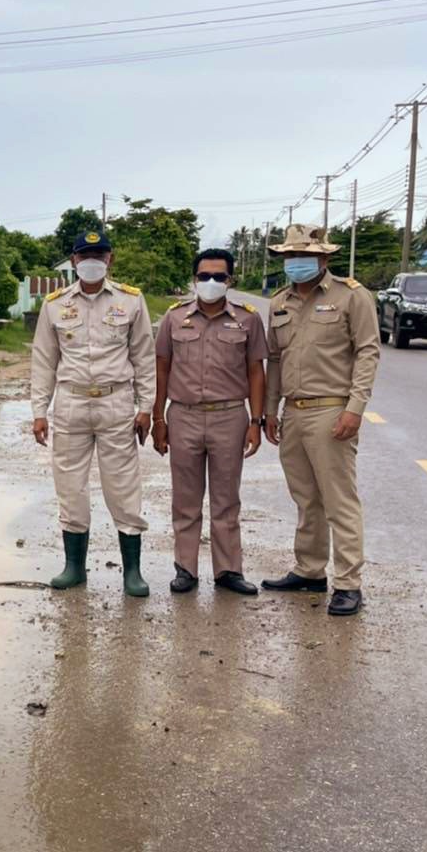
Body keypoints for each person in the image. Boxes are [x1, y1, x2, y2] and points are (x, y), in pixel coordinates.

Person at [261, 224, 380, 616]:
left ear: (324, 259)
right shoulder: (279, 302)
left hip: (332, 409)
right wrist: (270, 410)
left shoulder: (351, 296)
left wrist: (355, 408)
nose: (296, 263)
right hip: (292, 412)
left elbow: (367, 352)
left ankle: (348, 583)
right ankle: (310, 570)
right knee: (305, 498)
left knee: (338, 500)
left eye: (305, 257)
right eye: (290, 257)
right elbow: (275, 361)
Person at [30, 229, 155, 597]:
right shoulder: (54, 304)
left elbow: (144, 357)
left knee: (123, 486)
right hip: (70, 402)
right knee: (70, 485)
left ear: (110, 260)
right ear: (73, 261)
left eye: (99, 255)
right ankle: (74, 567)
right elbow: (43, 361)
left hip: (116, 402)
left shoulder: (131, 301)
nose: (92, 262)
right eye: (85, 256)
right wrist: (40, 411)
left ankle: (132, 571)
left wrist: (146, 407)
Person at [152, 249, 268, 596]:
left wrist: (256, 421)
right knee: (185, 500)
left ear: (230, 281)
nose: (211, 283)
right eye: (204, 277)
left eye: (219, 277)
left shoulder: (248, 320)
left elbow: (255, 371)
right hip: (183, 415)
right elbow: (161, 367)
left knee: (226, 500)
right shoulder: (174, 318)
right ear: (194, 279)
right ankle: (185, 569)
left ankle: (228, 570)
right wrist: (159, 417)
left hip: (230, 417)